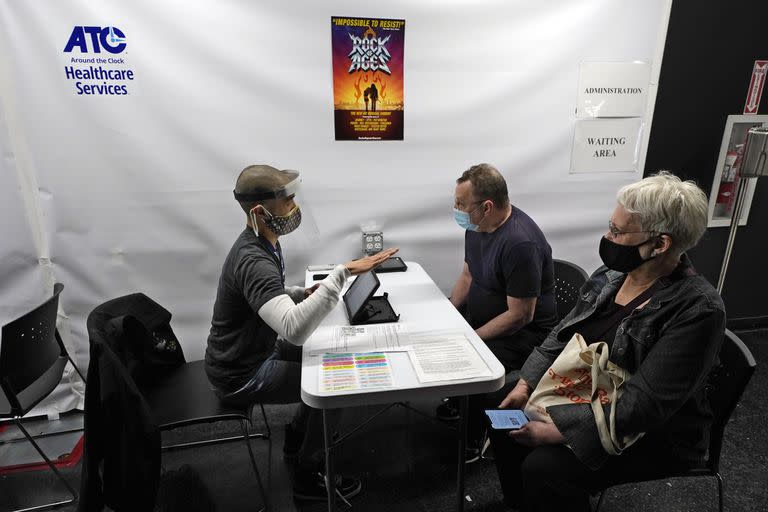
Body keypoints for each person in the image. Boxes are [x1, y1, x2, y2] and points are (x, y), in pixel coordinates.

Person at [491, 171, 725, 511]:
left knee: (545, 467)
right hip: (593, 392)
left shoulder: (698, 310)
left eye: (617, 231)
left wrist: (562, 433)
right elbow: (564, 333)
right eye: (609, 225)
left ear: (660, 244)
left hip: (656, 433)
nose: (607, 237)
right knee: (503, 403)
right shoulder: (612, 276)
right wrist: (526, 383)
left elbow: (643, 406)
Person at [204, 164, 398, 502]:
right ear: (260, 212)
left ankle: (296, 438)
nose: (294, 205)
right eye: (286, 199)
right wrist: (342, 272)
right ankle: (310, 475)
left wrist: (296, 294)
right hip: (240, 373)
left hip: (252, 353)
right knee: (337, 386)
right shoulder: (253, 258)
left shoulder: (263, 241)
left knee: (327, 354)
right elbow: (293, 329)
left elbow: (266, 298)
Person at [442, 163, 557, 462]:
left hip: (525, 335)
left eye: (461, 204)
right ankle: (461, 406)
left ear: (487, 206)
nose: (456, 209)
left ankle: (473, 438)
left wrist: (471, 337)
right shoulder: (477, 226)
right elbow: (468, 275)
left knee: (467, 357)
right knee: (446, 339)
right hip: (488, 320)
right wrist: (449, 313)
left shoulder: (520, 242)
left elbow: (520, 316)